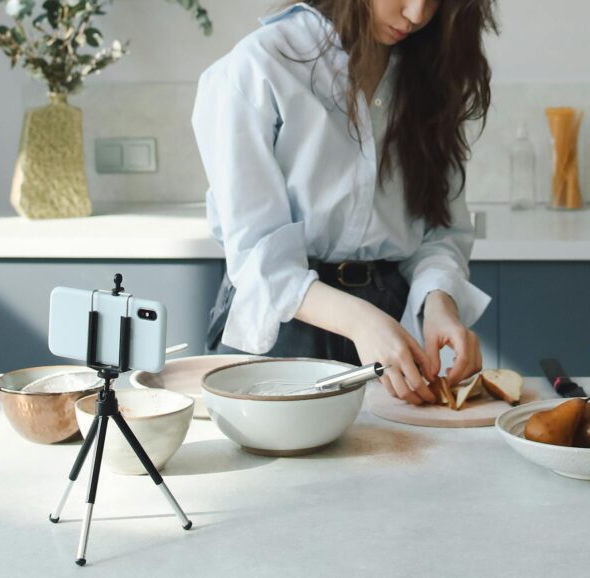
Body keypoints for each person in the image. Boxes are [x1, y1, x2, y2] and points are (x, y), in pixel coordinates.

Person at [192, 0, 498, 405]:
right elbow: (258, 260)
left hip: (391, 318)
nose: (417, 14)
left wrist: (439, 302)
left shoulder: (428, 70)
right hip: (285, 324)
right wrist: (362, 322)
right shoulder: (260, 65)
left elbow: (439, 231)